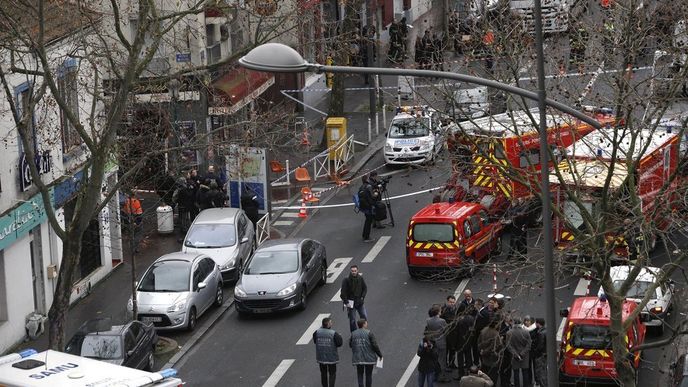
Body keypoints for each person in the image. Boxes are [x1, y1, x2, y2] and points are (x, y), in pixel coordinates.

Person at [350, 319, 383, 387]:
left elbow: (350, 345)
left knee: (360, 374)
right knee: (368, 374)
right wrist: (380, 355)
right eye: (366, 323)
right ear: (364, 324)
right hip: (369, 358)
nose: (367, 324)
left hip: (358, 357)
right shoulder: (369, 333)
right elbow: (375, 345)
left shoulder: (353, 333)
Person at [313, 317, 343, 387]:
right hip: (331, 357)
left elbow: (315, 341)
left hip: (321, 357)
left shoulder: (317, 332)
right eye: (331, 322)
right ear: (328, 324)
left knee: (323, 373)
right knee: (332, 373)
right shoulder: (334, 333)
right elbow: (339, 343)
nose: (332, 323)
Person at [425, 305, 450, 382]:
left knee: (435, 359)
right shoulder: (442, 321)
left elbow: (427, 331)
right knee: (442, 360)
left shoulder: (428, 320)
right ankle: (442, 377)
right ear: (438, 312)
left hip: (433, 342)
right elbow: (447, 329)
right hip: (441, 342)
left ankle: (435, 375)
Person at [341, 265, 368, 332]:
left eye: (355, 271)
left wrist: (362, 297)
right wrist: (346, 302)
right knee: (352, 320)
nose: (354, 272)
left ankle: (364, 330)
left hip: (359, 302)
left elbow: (365, 288)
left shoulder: (360, 278)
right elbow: (343, 293)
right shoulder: (346, 280)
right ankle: (354, 333)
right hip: (351, 303)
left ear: (357, 271)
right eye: (352, 271)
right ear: (350, 271)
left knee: (364, 316)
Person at [506, 318, 532, 387]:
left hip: (514, 356)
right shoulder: (526, 332)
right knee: (525, 372)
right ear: (520, 323)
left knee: (516, 373)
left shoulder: (509, 333)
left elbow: (508, 346)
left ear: (514, 323)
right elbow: (529, 345)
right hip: (525, 355)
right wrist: (522, 353)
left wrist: (516, 354)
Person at [441, 296, 459, 370]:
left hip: (454, 333)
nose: (452, 304)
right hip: (446, 333)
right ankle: (445, 365)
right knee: (446, 351)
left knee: (453, 350)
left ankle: (452, 363)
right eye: (450, 302)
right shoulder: (443, 310)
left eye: (453, 302)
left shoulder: (456, 309)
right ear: (447, 301)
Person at [358, 175, 376, 242]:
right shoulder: (369, 186)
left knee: (367, 221)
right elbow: (373, 196)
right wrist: (376, 193)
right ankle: (367, 237)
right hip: (368, 206)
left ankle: (364, 235)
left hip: (364, 206)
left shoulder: (361, 187)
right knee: (368, 221)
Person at [531, 318, 547, 387]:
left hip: (540, 355)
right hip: (546, 354)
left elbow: (540, 346)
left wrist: (535, 351)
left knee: (540, 371)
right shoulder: (546, 330)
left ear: (538, 324)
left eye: (536, 323)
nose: (535, 324)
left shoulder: (540, 333)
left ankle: (542, 384)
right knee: (544, 370)